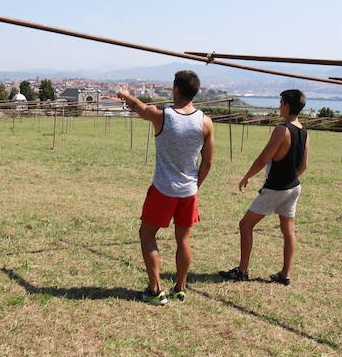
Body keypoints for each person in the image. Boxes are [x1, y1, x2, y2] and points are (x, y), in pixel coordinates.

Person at [118, 71, 215, 305]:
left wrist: (125, 95)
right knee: (183, 239)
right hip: (188, 191)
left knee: (147, 235)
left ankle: (155, 291)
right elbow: (208, 162)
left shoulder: (163, 116)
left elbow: (139, 107)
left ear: (177, 90)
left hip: (163, 188)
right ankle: (180, 287)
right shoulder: (205, 122)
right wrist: (195, 185)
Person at [219, 89, 309, 285]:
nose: (279, 106)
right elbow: (303, 166)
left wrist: (246, 176)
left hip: (275, 189)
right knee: (289, 231)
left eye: (281, 102)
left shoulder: (282, 130)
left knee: (245, 225)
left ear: (287, 105)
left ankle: (242, 270)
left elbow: (263, 159)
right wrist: (290, 179)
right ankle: (284, 275)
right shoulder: (304, 131)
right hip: (294, 188)